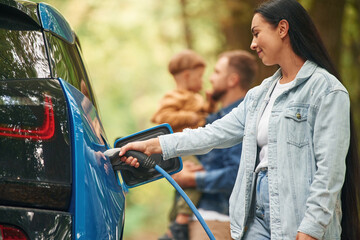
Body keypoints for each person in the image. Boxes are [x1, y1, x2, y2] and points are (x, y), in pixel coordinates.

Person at [119, 0, 360, 239]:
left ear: (282, 29)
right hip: (257, 218)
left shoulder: (327, 90)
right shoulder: (259, 94)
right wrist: (153, 145)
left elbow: (330, 171)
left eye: (257, 34)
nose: (252, 44)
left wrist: (310, 229)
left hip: (297, 219)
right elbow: (212, 134)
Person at [171, 50, 257, 240]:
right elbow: (209, 160)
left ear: (232, 80)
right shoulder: (215, 119)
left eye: (217, 72)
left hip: (218, 220)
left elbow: (238, 175)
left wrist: (193, 179)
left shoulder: (245, 121)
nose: (210, 78)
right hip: (201, 216)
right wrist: (189, 167)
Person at [152, 49, 216, 240]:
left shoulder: (195, 97)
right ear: (187, 76)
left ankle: (174, 222)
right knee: (195, 175)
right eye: (200, 77)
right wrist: (190, 116)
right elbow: (161, 117)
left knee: (184, 187)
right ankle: (181, 221)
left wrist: (211, 104)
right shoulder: (175, 96)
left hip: (193, 146)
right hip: (179, 147)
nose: (202, 81)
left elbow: (206, 117)